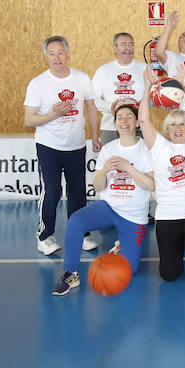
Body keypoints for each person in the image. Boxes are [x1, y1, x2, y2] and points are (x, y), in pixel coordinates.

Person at [51, 103, 154, 295]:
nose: (124, 121)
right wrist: (105, 170)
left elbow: (151, 185)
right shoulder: (108, 149)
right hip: (108, 207)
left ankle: (121, 245)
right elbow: (98, 187)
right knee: (76, 221)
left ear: (137, 123)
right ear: (115, 124)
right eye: (120, 118)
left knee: (129, 271)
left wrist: (128, 167)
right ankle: (71, 273)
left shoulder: (147, 149)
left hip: (133, 215)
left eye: (129, 117)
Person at [24, 36, 101, 256]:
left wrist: (94, 135)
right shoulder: (38, 83)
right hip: (48, 146)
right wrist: (54, 113)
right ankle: (45, 236)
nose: (57, 58)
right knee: (53, 190)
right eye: (52, 54)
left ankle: (81, 235)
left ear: (67, 54)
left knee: (78, 192)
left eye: (60, 53)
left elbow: (92, 108)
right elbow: (29, 119)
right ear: (45, 57)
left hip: (76, 146)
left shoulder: (81, 78)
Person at [138, 65, 185, 284]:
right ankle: (179, 245)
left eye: (182, 124)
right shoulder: (158, 146)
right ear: (166, 130)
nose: (178, 128)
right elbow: (144, 120)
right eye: (172, 125)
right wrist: (148, 86)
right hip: (168, 213)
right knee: (170, 275)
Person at [91, 32, 147, 144]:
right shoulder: (103, 70)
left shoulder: (145, 68)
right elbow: (92, 100)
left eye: (131, 44)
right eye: (123, 44)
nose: (128, 48)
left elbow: (155, 97)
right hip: (110, 128)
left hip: (139, 127)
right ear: (115, 48)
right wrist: (110, 107)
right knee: (112, 160)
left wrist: (143, 105)